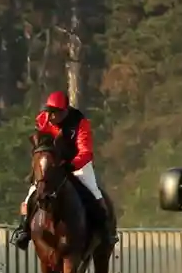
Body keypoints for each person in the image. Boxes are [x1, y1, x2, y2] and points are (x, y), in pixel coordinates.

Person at [11, 91, 110, 251]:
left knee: (94, 192)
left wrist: (71, 165)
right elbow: (39, 143)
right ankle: (24, 230)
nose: (50, 116)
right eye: (49, 111)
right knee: (31, 194)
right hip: (52, 163)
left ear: (65, 112)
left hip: (76, 163)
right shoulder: (43, 119)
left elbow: (85, 151)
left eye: (54, 113)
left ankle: (104, 233)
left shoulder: (80, 123)